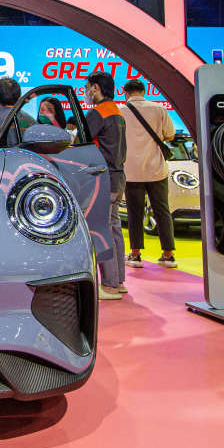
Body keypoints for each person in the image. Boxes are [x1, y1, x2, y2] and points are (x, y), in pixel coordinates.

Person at [121, 79, 177, 269]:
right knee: (162, 211)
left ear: (126, 93)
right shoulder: (159, 109)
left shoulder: (121, 111)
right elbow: (170, 135)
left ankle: (135, 254)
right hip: (156, 169)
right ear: (143, 91)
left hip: (131, 170)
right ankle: (168, 255)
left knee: (134, 213)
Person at [84, 72, 127, 300]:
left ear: (96, 88)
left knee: (103, 230)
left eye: (87, 88)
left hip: (104, 177)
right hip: (118, 176)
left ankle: (109, 284)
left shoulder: (98, 113)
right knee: (114, 227)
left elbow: (81, 142)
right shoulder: (117, 112)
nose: (86, 92)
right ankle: (118, 281)